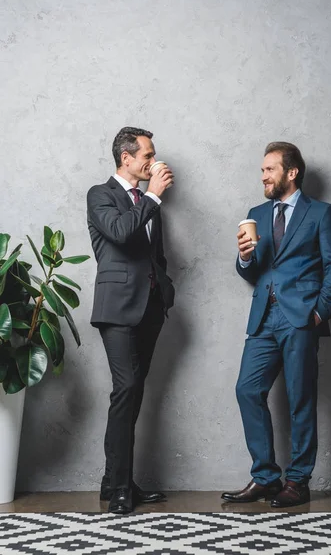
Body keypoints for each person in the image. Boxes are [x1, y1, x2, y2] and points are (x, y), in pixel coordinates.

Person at [222, 141, 331, 507]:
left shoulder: (321, 213)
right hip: (264, 316)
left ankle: (298, 480)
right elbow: (253, 269)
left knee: (300, 399)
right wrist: (244, 258)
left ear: (291, 173)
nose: (263, 175)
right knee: (247, 389)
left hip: (300, 317)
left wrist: (320, 310)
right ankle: (265, 478)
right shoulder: (256, 213)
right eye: (262, 170)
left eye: (269, 169)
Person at [87, 127, 175, 514]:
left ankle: (115, 480)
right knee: (125, 390)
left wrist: (166, 287)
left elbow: (156, 253)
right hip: (117, 308)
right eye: (147, 155)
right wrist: (153, 195)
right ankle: (120, 488)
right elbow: (121, 233)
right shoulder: (100, 194)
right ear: (126, 157)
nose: (152, 161)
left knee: (135, 393)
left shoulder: (151, 203)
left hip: (151, 308)